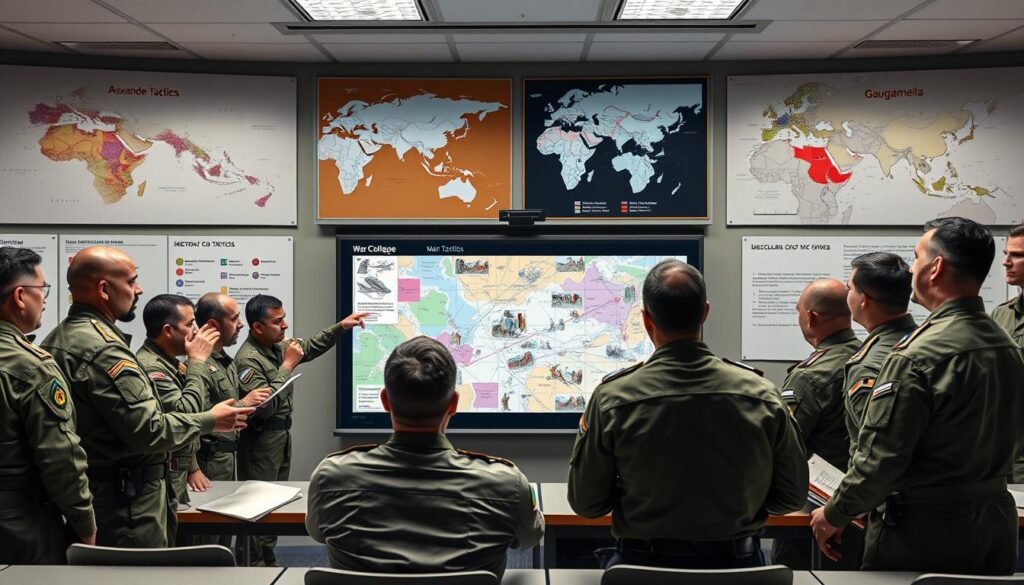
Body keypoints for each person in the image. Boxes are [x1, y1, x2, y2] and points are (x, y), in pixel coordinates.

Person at [811, 217, 1024, 574]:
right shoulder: (1006, 344)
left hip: (925, 531)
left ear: (936, 267)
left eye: (917, 257)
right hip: (995, 523)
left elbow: (881, 459)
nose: (911, 269)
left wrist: (834, 513)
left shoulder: (916, 355)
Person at [568, 259, 807, 569]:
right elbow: (791, 496)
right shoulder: (762, 394)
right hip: (738, 569)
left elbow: (587, 503)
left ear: (646, 319)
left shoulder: (612, 398)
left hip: (643, 569)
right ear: (705, 312)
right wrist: (743, 506)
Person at [41, 246, 254, 547]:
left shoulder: (61, 339)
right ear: (104, 289)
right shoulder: (103, 350)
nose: (138, 289)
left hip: (107, 493)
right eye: (131, 281)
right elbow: (150, 431)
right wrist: (209, 412)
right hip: (126, 505)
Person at [306, 336, 544, 578]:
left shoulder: (331, 477)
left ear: (385, 400)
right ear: (454, 404)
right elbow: (529, 538)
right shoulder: (506, 484)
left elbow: (317, 533)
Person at [235, 294, 368, 566]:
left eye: (284, 318)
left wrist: (341, 326)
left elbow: (311, 345)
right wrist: (287, 365)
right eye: (278, 321)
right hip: (261, 441)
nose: (285, 326)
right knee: (259, 505)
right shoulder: (248, 360)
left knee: (273, 502)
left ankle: (266, 558)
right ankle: (255, 565)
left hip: (279, 438)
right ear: (257, 327)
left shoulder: (274, 346)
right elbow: (265, 407)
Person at [0, 247, 95, 563]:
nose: (45, 299)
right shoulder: (32, 367)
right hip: (19, 525)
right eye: (42, 290)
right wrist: (85, 525)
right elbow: (60, 458)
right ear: (20, 297)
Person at [772, 278, 859, 570]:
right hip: (864, 508)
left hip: (812, 518)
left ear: (810, 317)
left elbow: (783, 447)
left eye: (799, 311)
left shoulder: (809, 376)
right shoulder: (874, 359)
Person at [136, 294, 226, 544]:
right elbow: (185, 415)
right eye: (189, 324)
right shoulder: (151, 367)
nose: (196, 331)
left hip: (174, 474)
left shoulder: (169, 363)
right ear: (167, 330)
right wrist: (197, 361)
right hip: (160, 478)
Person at [187, 292, 268, 548]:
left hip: (226, 459)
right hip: (206, 462)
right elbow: (188, 418)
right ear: (213, 325)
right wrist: (192, 467)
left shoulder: (225, 362)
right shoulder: (196, 364)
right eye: (234, 319)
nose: (241, 324)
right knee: (206, 542)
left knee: (225, 538)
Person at [843, 252, 917, 452]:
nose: (846, 294)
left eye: (849, 288)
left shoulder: (867, 365)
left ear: (864, 300)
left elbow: (874, 448)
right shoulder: (925, 341)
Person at [993, 225, 1024, 481]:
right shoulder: (1002, 314)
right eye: (1006, 253)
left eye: (1017, 255)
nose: (1006, 262)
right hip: (1005, 450)